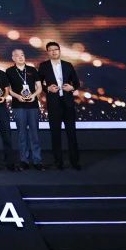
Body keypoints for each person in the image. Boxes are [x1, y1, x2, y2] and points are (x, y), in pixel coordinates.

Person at [38, 41, 82, 170]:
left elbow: (77, 82)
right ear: (48, 52)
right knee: (55, 134)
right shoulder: (44, 66)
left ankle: (75, 162)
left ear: (59, 50)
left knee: (71, 134)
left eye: (56, 49)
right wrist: (47, 88)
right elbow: (38, 83)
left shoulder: (68, 65)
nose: (54, 51)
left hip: (68, 104)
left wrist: (72, 87)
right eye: (51, 50)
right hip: (54, 104)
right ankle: (58, 162)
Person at [7, 48, 43, 170]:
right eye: (17, 55)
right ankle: (24, 160)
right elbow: (9, 90)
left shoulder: (32, 70)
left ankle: (37, 160)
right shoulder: (9, 71)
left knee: (35, 134)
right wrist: (18, 96)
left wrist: (33, 95)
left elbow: (39, 87)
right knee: (22, 134)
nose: (20, 57)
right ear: (13, 58)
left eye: (22, 55)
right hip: (18, 106)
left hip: (33, 105)